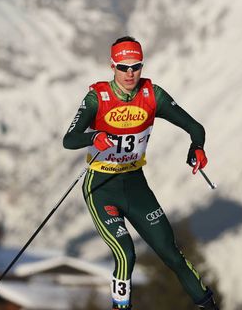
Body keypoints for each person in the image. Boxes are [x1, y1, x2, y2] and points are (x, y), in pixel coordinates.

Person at [63, 36, 219, 310]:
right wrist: (94, 136)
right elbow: (69, 139)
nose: (130, 73)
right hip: (101, 186)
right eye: (123, 67)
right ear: (112, 66)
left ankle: (208, 305)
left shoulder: (152, 95)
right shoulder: (96, 98)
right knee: (126, 254)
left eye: (136, 66)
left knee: (170, 253)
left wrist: (197, 147)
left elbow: (196, 127)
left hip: (135, 185)